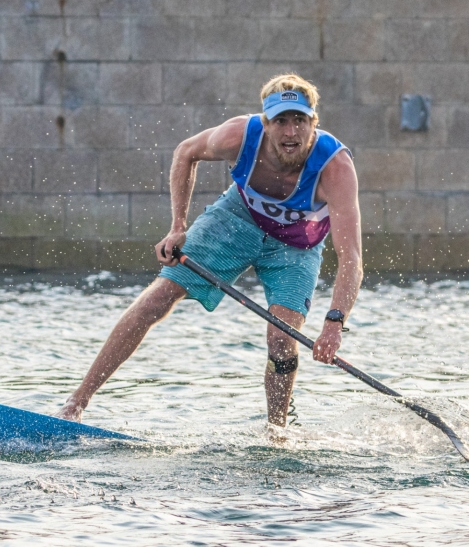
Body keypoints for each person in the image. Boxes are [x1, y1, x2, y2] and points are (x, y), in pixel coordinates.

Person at [58, 74, 362, 427]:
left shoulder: (335, 168)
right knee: (156, 299)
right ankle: (75, 404)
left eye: (299, 121)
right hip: (236, 220)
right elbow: (185, 153)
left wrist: (334, 323)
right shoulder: (238, 135)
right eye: (281, 121)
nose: (290, 133)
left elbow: (351, 258)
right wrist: (177, 227)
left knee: (281, 340)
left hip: (296, 245)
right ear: (265, 123)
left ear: (314, 123)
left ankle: (277, 431)